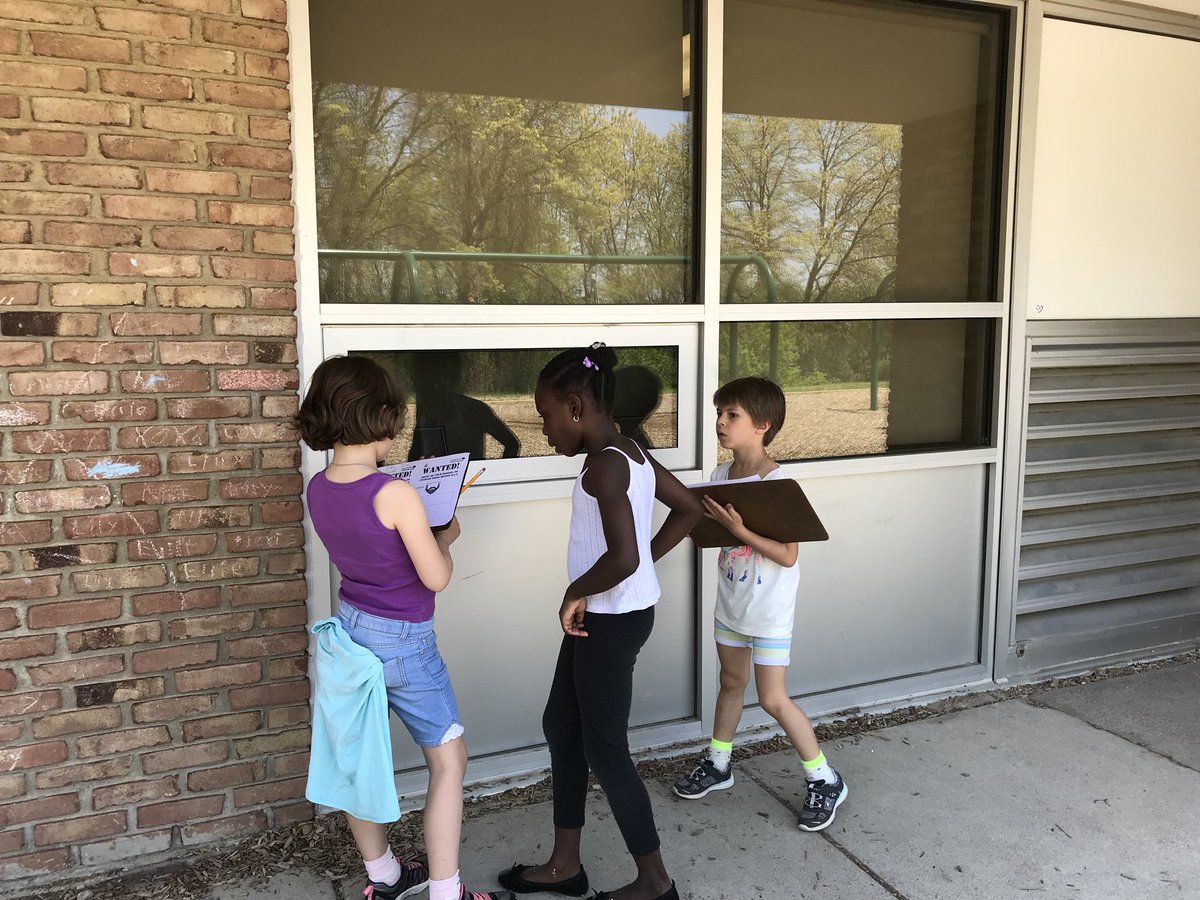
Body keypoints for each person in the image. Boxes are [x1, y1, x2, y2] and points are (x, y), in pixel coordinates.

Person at [296, 355, 512, 900]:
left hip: (350, 632)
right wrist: (448, 534)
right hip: (404, 643)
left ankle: (385, 876)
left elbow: (371, 550)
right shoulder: (395, 493)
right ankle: (446, 890)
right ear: (379, 416)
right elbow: (434, 577)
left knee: (358, 762)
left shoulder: (319, 486)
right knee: (449, 760)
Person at [499, 344, 703, 900]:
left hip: (610, 622)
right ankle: (566, 867)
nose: (543, 431)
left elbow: (625, 557)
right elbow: (687, 511)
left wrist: (575, 590)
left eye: (543, 416)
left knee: (605, 749)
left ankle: (656, 882)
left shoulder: (607, 464)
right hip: (612, 613)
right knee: (562, 728)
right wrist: (621, 577)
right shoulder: (631, 451)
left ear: (573, 406)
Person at [672, 376, 848, 832]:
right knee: (731, 683)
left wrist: (740, 530)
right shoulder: (719, 476)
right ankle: (718, 763)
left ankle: (825, 778)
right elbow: (711, 537)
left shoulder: (778, 482)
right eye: (720, 414)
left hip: (769, 613)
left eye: (732, 415)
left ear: (763, 426)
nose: (721, 423)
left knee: (772, 698)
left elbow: (788, 554)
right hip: (730, 606)